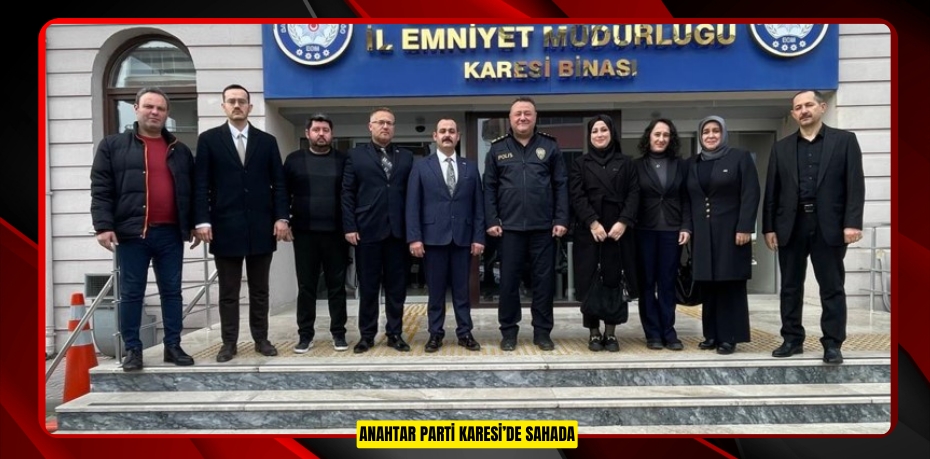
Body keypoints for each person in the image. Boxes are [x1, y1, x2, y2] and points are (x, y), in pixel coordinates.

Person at [90, 87, 197, 371]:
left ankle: (172, 346)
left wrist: (194, 224)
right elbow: (101, 188)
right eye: (149, 106)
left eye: (160, 108)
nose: (154, 112)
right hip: (132, 233)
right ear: (136, 108)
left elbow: (192, 191)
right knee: (131, 293)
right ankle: (133, 350)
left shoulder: (180, 150)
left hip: (170, 233)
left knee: (172, 292)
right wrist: (103, 225)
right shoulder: (112, 146)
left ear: (167, 113)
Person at [763, 90, 865, 365]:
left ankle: (832, 343)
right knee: (790, 287)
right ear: (793, 114)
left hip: (829, 225)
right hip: (791, 225)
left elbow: (855, 184)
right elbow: (772, 191)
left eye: (808, 105)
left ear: (822, 107)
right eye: (798, 107)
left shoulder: (844, 141)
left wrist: (852, 223)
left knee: (832, 287)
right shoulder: (781, 147)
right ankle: (792, 339)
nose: (803, 110)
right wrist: (769, 227)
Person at [193, 84, 289, 362]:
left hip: (261, 226)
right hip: (224, 227)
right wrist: (202, 220)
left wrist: (282, 217)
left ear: (250, 106)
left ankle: (261, 339)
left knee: (260, 290)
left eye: (242, 101)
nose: (237, 105)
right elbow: (201, 184)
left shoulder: (267, 141)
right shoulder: (209, 140)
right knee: (228, 291)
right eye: (232, 101)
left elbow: (279, 183)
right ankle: (229, 342)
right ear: (223, 106)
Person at [484, 96, 569, 351]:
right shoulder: (497, 149)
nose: (523, 117)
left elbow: (560, 185)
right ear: (510, 119)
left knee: (543, 284)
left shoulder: (549, 146)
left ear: (535, 117)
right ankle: (509, 332)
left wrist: (561, 218)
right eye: (518, 114)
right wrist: (492, 219)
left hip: (543, 228)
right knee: (508, 284)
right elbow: (489, 187)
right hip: (509, 229)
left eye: (527, 113)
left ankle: (542, 332)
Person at [406, 118, 485, 352]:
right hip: (432, 239)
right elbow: (412, 205)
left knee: (462, 291)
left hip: (463, 238)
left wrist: (479, 237)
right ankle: (435, 334)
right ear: (435, 136)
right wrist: (414, 237)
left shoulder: (470, 167)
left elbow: (478, 206)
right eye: (442, 131)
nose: (447, 134)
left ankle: (465, 333)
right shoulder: (421, 167)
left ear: (458, 136)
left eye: (451, 131)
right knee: (436, 291)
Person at [342, 107, 415, 353]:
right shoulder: (355, 155)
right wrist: (350, 225)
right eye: (380, 122)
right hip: (367, 231)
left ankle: (395, 334)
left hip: (398, 233)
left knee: (397, 288)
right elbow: (347, 193)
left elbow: (413, 195)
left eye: (389, 123)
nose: (385, 126)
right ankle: (367, 335)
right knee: (369, 287)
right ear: (370, 126)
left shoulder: (406, 157)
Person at [686, 115, 760, 355]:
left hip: (732, 233)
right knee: (708, 284)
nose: (710, 135)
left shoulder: (739, 158)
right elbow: (688, 199)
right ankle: (711, 334)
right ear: (700, 136)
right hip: (702, 235)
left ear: (723, 133)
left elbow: (751, 193)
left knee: (730, 284)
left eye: (715, 131)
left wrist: (745, 227)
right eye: (706, 131)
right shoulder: (692, 163)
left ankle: (729, 336)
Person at [569, 114, 640, 352]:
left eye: (604, 130)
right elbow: (576, 196)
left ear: (612, 133)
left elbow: (634, 194)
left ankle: (610, 333)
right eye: (595, 131)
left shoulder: (627, 163)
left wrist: (624, 222)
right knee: (590, 281)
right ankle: (593, 332)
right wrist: (592, 222)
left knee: (613, 281)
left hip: (618, 232)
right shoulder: (580, 163)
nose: (599, 134)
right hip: (590, 232)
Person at [283, 114, 349, 353]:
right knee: (306, 286)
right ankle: (305, 335)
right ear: (307, 133)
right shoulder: (294, 160)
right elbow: (282, 192)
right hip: (304, 233)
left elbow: (350, 194)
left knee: (337, 286)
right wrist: (283, 220)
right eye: (316, 130)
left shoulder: (343, 160)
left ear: (332, 134)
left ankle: (339, 334)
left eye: (325, 130)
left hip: (336, 233)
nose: (321, 134)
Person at [634, 118, 692, 351]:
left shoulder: (680, 165)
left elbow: (686, 198)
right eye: (657, 134)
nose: (661, 139)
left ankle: (669, 332)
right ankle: (653, 333)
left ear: (671, 139)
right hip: (644, 231)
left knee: (667, 283)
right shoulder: (637, 166)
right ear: (649, 137)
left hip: (672, 231)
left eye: (666, 135)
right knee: (647, 283)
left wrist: (686, 226)